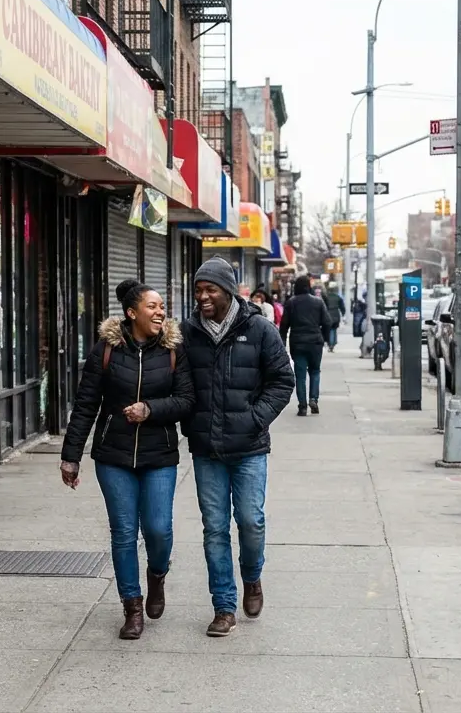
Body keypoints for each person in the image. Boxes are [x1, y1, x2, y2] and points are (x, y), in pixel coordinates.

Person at [60, 279, 193, 641]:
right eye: (152, 306)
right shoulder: (105, 351)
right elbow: (86, 405)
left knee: (158, 529)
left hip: (159, 455)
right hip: (113, 455)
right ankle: (132, 607)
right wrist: (71, 456)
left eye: (162, 306)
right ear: (132, 313)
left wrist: (150, 409)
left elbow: (186, 400)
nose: (160, 312)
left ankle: (157, 575)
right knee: (122, 533)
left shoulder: (172, 351)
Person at [181, 258, 295, 637]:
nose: (203, 296)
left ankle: (252, 577)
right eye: (198, 290)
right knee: (214, 529)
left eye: (210, 289)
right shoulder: (187, 332)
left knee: (251, 520)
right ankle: (223, 607)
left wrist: (254, 418)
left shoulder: (260, 330)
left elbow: (282, 381)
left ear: (228, 291)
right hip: (206, 449)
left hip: (249, 447)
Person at [279, 275, 332, 416]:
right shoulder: (318, 302)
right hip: (315, 342)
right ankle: (313, 399)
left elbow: (284, 325)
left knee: (300, 375)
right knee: (315, 371)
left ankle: (302, 406)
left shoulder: (291, 303)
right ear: (309, 286)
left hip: (298, 343)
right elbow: (327, 322)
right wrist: (326, 339)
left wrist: (282, 342)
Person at [322, 287, 346, 353]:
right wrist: (343, 313)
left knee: (329, 330)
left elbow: (323, 306)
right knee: (334, 330)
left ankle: (331, 344)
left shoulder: (326, 297)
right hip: (336, 315)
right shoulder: (338, 297)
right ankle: (333, 343)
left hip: (328, 315)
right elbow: (342, 307)